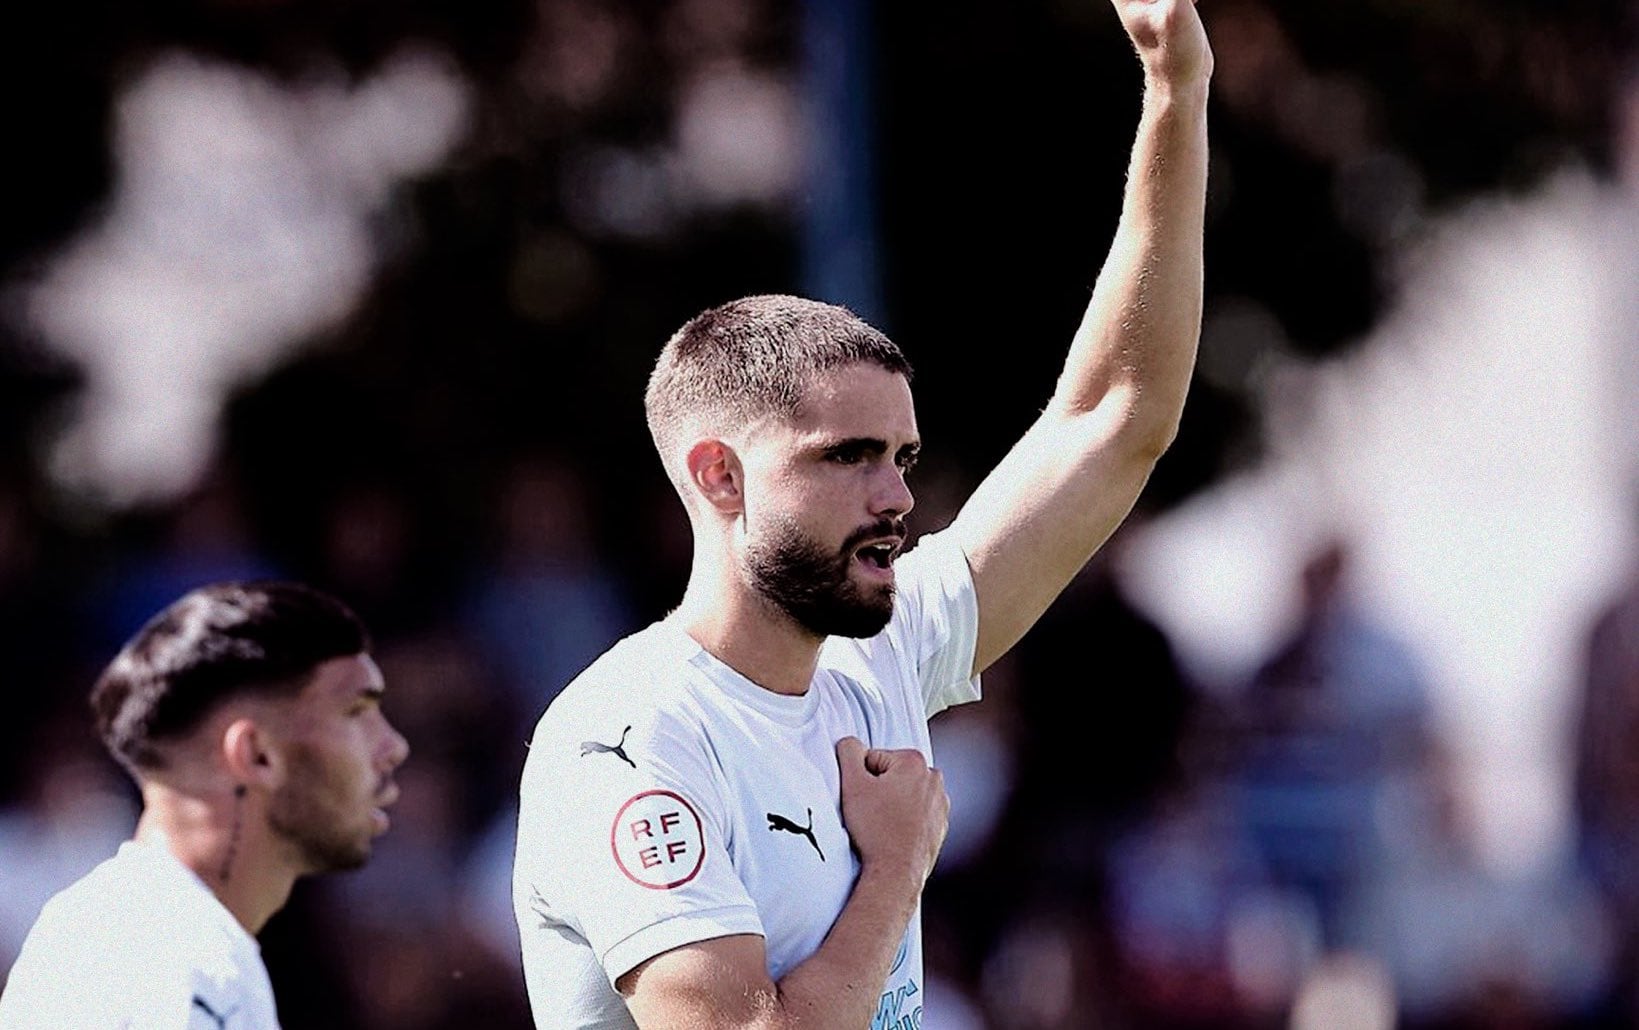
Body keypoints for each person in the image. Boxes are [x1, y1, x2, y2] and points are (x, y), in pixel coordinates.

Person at [512, 0, 1212, 1025]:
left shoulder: (873, 654)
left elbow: (1116, 418)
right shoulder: (630, 737)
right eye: (847, 457)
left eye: (902, 457)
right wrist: (895, 866)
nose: (896, 496)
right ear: (719, 476)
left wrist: (1174, 95)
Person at [0, 581, 409, 1029]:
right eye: (356, 712)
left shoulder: (136, 936)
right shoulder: (181, 969)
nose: (393, 746)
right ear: (256, 754)